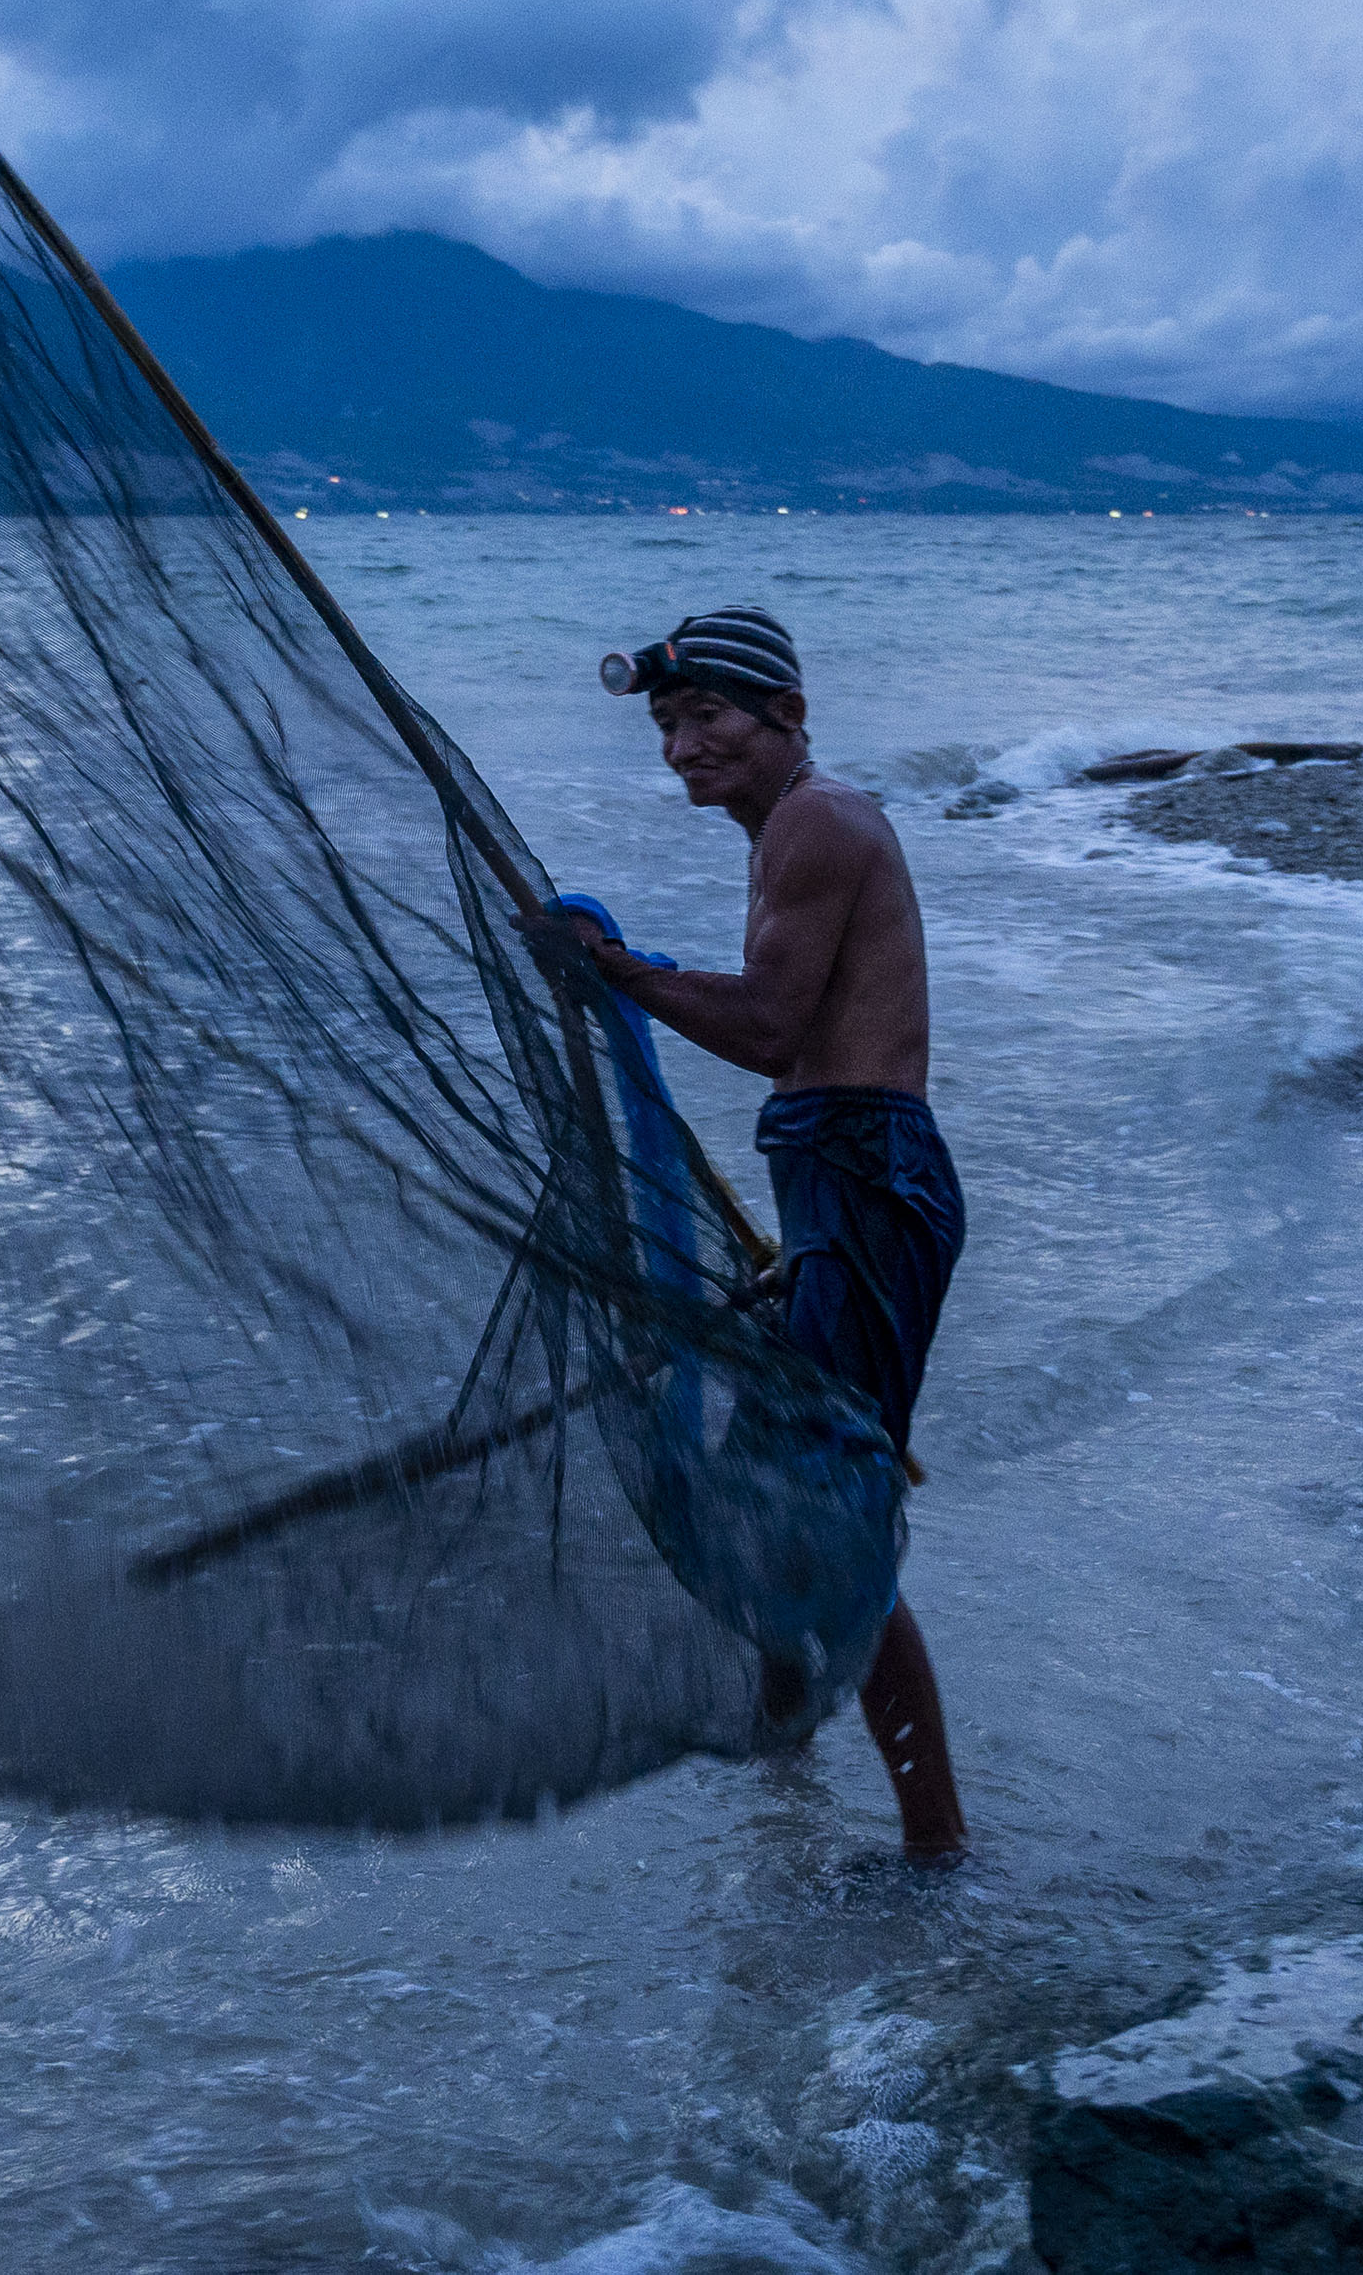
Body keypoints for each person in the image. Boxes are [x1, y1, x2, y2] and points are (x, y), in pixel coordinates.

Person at [546, 605, 969, 1863]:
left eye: (709, 717)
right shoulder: (789, 823)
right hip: (836, 1183)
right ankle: (786, 1767)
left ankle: (937, 1848)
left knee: (833, 1518)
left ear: (787, 715)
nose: (682, 749)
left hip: (865, 1177)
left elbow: (774, 1033)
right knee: (776, 1494)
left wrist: (614, 970)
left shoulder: (817, 821)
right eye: (669, 727)